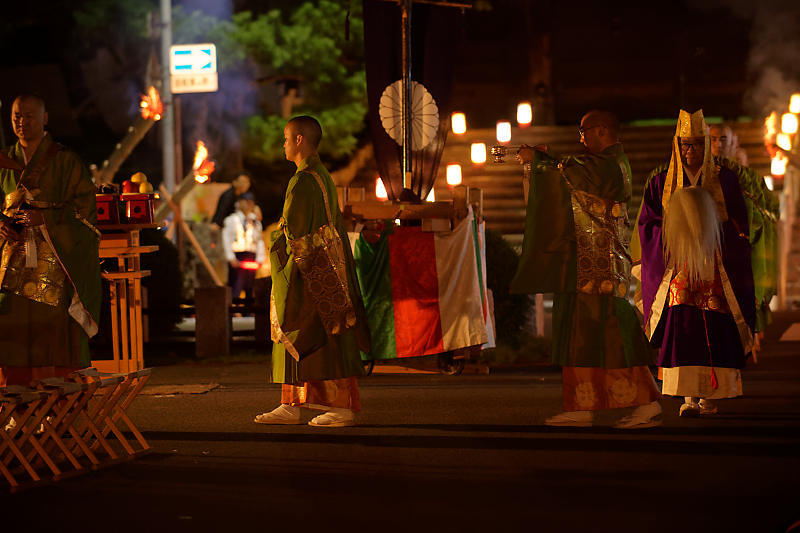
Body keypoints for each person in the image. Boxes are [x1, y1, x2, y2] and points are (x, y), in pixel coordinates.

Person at [511, 110, 661, 428]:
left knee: (614, 338)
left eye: (584, 132)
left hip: (604, 268)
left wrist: (539, 162)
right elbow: (571, 180)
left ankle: (647, 402)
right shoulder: (599, 165)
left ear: (602, 131)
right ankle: (581, 405)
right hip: (582, 264)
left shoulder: (611, 164)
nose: (581, 139)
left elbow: (577, 172)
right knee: (578, 336)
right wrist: (542, 163)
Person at [636, 109, 755, 417]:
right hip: (679, 268)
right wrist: (676, 230)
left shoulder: (725, 180)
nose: (690, 151)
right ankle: (688, 396)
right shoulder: (661, 181)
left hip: (715, 268)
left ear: (706, 145)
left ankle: (711, 395)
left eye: (696, 145)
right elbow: (648, 222)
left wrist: (715, 229)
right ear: (677, 146)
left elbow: (741, 222)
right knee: (683, 327)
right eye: (685, 145)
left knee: (715, 327)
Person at [254, 116, 370, 428]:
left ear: (300, 141)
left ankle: (342, 407)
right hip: (321, 264)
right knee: (301, 335)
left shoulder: (305, 179)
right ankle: (290, 403)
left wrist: (276, 244)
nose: (284, 144)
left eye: (287, 138)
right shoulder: (318, 175)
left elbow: (294, 230)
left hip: (310, 270)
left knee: (320, 335)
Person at [0, 94, 100, 387]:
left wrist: (47, 220)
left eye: (29, 115)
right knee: (9, 332)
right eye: (17, 115)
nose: (22, 122)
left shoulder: (66, 161)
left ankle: (57, 412)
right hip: (10, 265)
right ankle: (14, 409)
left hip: (54, 265)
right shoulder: (4, 161)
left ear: (45, 119)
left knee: (55, 331)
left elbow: (85, 211)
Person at [221, 191, 266, 298]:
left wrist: (260, 258)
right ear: (239, 202)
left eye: (251, 202)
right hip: (238, 256)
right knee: (236, 285)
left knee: (250, 287)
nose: (249, 204)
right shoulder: (231, 220)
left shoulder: (255, 222)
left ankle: (248, 312)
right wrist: (231, 258)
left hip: (251, 256)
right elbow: (227, 239)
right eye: (246, 201)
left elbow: (259, 240)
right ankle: (233, 312)